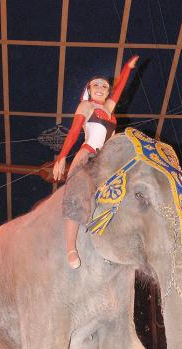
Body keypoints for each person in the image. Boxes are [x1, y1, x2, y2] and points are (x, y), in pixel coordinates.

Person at [53, 55, 139, 269]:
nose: (101, 88)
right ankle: (71, 247)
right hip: (87, 155)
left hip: (106, 161)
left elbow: (119, 90)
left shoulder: (110, 111)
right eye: (96, 85)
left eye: (105, 86)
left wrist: (127, 68)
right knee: (76, 195)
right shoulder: (86, 106)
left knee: (120, 196)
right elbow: (74, 132)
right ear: (89, 90)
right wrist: (62, 156)